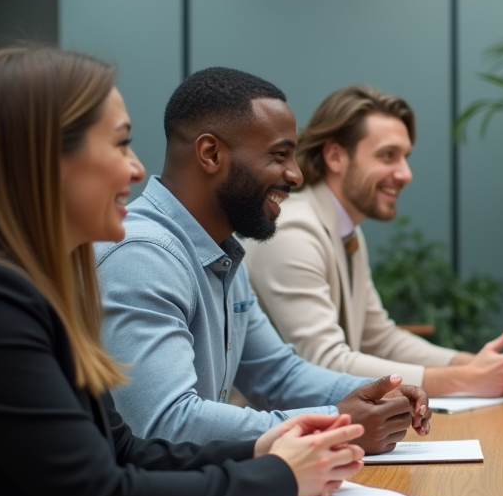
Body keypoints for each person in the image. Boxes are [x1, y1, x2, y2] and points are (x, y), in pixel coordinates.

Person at [0, 48, 367, 496]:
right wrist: (280, 475)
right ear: (45, 158)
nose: (136, 170)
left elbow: (125, 450)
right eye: (120, 144)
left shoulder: (34, 288)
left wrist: (264, 447)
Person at [96, 67, 429, 453]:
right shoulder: (143, 255)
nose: (296, 175)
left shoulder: (222, 251)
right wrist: (337, 422)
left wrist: (379, 392)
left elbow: (278, 375)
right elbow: (166, 424)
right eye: (279, 155)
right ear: (211, 154)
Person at [242, 84, 503, 396]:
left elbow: (380, 338)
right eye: (388, 156)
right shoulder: (292, 231)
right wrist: (464, 379)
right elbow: (324, 361)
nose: (405, 174)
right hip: (269, 427)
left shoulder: (345, 230)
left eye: (404, 157)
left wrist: (474, 364)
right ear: (336, 156)